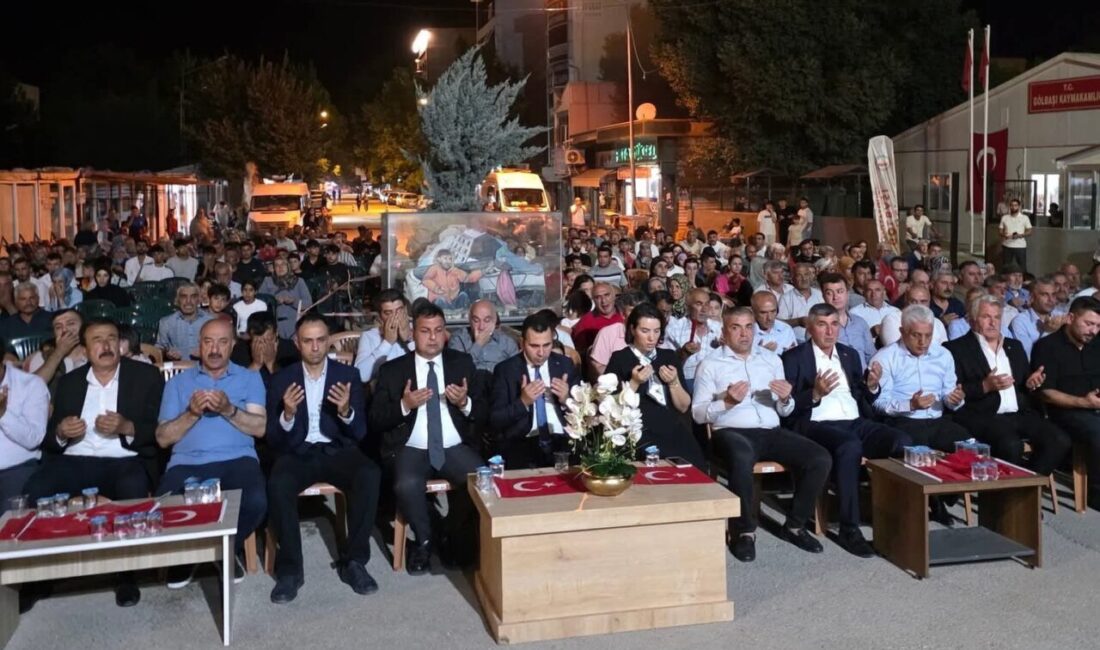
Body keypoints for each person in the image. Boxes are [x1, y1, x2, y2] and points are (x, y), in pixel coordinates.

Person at [26, 318, 163, 607]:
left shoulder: (146, 376)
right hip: (76, 459)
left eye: (112, 338)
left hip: (124, 459)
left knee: (132, 485)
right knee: (37, 488)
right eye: (98, 340)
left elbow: (161, 431)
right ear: (86, 350)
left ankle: (126, 577)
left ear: (121, 344)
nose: (106, 345)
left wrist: (128, 427)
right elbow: (51, 438)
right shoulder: (71, 383)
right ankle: (39, 577)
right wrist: (62, 433)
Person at [692, 307, 831, 562]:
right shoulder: (710, 364)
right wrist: (728, 403)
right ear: (724, 332)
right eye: (736, 327)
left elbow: (785, 410)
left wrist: (786, 398)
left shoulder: (771, 360)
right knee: (742, 456)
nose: (744, 334)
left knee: (819, 457)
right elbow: (698, 414)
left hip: (770, 430)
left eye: (748, 327)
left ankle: (795, 526)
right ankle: (744, 532)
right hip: (731, 430)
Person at [265, 313, 379, 603]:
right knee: (278, 483)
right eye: (307, 341)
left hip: (338, 450)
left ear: (328, 341)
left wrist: (345, 412)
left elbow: (360, 432)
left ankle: (354, 562)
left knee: (369, 474)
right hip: (298, 452)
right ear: (297, 343)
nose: (315, 347)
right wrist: (287, 414)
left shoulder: (348, 376)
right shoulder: (281, 379)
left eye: (320, 340)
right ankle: (290, 571)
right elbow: (273, 439)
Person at [781, 304, 911, 557]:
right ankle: (849, 528)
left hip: (854, 420)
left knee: (900, 440)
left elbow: (862, 397)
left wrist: (872, 386)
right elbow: (788, 408)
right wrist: (815, 393)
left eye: (834, 324)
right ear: (809, 327)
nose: (830, 331)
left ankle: (895, 515)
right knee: (849, 446)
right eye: (822, 324)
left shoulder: (849, 354)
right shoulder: (794, 358)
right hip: (816, 423)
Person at [368, 303, 485, 573]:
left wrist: (465, 402)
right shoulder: (393, 369)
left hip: (453, 444)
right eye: (425, 331)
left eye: (438, 331)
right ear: (413, 332)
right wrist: (404, 405)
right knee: (406, 484)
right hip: (411, 445)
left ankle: (449, 533)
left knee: (481, 480)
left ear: (445, 333)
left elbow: (483, 411)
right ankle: (425, 540)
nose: (432, 337)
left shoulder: (461, 363)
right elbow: (375, 419)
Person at [156, 318, 269, 587]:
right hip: (187, 462)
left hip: (237, 459)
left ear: (232, 346)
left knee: (256, 502)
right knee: (165, 507)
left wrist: (228, 409)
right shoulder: (178, 384)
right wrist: (192, 413)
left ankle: (216, 551)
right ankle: (202, 554)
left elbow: (260, 428)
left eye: (222, 342)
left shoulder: (250, 378)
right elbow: (162, 439)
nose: (215, 349)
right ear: (199, 346)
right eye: (208, 341)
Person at [944, 295, 1069, 475]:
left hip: (1019, 413)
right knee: (1011, 446)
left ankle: (1025, 487)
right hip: (982, 414)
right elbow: (953, 392)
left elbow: (1026, 383)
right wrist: (985, 386)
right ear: (971, 320)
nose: (992, 322)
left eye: (996, 317)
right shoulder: (955, 349)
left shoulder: (1014, 346)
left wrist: (1031, 383)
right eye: (986, 317)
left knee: (1059, 440)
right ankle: (1006, 495)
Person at [605, 303, 706, 468]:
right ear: (632, 330)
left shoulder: (669, 356)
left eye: (656, 331)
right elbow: (611, 406)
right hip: (638, 430)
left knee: (695, 464)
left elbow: (683, 406)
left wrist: (673, 382)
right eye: (645, 331)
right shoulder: (620, 359)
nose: (652, 338)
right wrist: (634, 383)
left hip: (671, 427)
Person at [870, 304, 969, 455]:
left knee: (970, 451)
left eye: (928, 335)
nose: (923, 342)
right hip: (903, 422)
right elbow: (878, 404)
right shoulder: (885, 358)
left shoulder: (943, 355)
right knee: (921, 458)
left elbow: (948, 395)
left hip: (938, 421)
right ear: (902, 332)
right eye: (916, 335)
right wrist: (910, 405)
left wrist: (955, 400)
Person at [1031, 297, 1100, 506]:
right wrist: (1084, 403)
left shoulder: (1097, 344)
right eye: (1088, 324)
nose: (1093, 331)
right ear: (1070, 318)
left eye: (1098, 326)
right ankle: (1097, 493)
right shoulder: (1047, 346)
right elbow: (1046, 392)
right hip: (1066, 410)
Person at [489, 312, 580, 468]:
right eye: (534, 346)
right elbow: (495, 419)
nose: (541, 352)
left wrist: (566, 400)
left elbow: (585, 412)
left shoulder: (564, 365)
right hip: (523, 440)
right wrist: (523, 402)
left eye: (547, 345)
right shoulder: (507, 370)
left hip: (561, 437)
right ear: (522, 343)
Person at [0, 357, 48, 506]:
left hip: (18, 469)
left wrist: (3, 415)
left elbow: (34, 439)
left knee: (10, 521)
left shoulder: (30, 384)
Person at [664, 288, 721, 393]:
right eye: (699, 304)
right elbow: (668, 364)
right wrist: (684, 353)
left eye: (707, 304)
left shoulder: (719, 329)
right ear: (688, 307)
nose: (704, 309)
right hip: (686, 383)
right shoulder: (674, 330)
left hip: (715, 382)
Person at [354, 290, 413, 383]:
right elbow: (361, 376)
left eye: (399, 311)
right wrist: (387, 343)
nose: (395, 317)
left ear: (405, 310)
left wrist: (408, 341)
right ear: (379, 317)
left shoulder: (419, 330)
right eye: (389, 313)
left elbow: (429, 362)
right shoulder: (369, 336)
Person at [818, 273, 875, 368]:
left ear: (847, 294)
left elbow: (871, 356)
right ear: (823, 297)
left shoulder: (860, 323)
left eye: (840, 291)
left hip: (863, 378)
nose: (835, 297)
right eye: (829, 293)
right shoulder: (818, 327)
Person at [447, 300, 518, 374]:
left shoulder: (507, 342)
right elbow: (457, 370)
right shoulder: (458, 339)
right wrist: (478, 344)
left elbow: (516, 372)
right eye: (476, 320)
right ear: (470, 320)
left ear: (494, 320)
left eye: (487, 320)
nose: (481, 327)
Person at [1009, 276, 1066, 359]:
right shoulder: (1020, 322)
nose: (1051, 299)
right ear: (1031, 298)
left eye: (1053, 295)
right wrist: (1048, 332)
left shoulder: (1062, 316)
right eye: (1044, 295)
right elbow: (1028, 357)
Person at [157, 283, 215, 361]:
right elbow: (159, 348)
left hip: (205, 368)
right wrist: (167, 354)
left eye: (193, 297)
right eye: (184, 297)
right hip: (177, 369)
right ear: (177, 300)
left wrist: (206, 352)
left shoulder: (211, 321)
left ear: (198, 299)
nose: (188, 301)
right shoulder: (166, 322)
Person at [258, 258, 312, 340]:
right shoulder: (267, 281)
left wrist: (293, 301)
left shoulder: (299, 281)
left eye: (283, 264)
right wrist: (273, 301)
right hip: (274, 326)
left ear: (288, 266)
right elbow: (259, 303)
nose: (280, 267)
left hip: (295, 325)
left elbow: (308, 303)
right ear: (273, 268)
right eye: (277, 265)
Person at [880, 286, 948, 348]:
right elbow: (894, 350)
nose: (918, 305)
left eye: (923, 301)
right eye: (913, 301)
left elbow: (944, 352)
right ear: (906, 300)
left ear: (930, 302)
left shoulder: (938, 323)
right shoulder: (892, 320)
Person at [571, 282, 622, 354]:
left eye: (607, 295)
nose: (603, 301)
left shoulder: (625, 316)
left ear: (614, 296)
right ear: (593, 300)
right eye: (598, 297)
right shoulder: (586, 322)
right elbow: (579, 352)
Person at [777, 263, 822, 342]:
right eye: (799, 275)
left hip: (819, 339)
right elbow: (779, 324)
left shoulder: (819, 294)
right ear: (792, 278)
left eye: (806, 274)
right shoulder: (786, 298)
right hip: (796, 341)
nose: (804, 278)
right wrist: (798, 322)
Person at [999, 198, 1031, 271]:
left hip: (1020, 246)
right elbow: (1000, 231)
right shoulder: (1004, 217)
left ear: (1019, 206)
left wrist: (1020, 235)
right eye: (1012, 205)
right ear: (1009, 206)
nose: (1013, 207)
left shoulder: (1024, 218)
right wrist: (1004, 235)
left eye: (1015, 205)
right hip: (1007, 245)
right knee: (1006, 267)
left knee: (1022, 267)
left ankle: (1023, 281)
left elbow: (1030, 231)